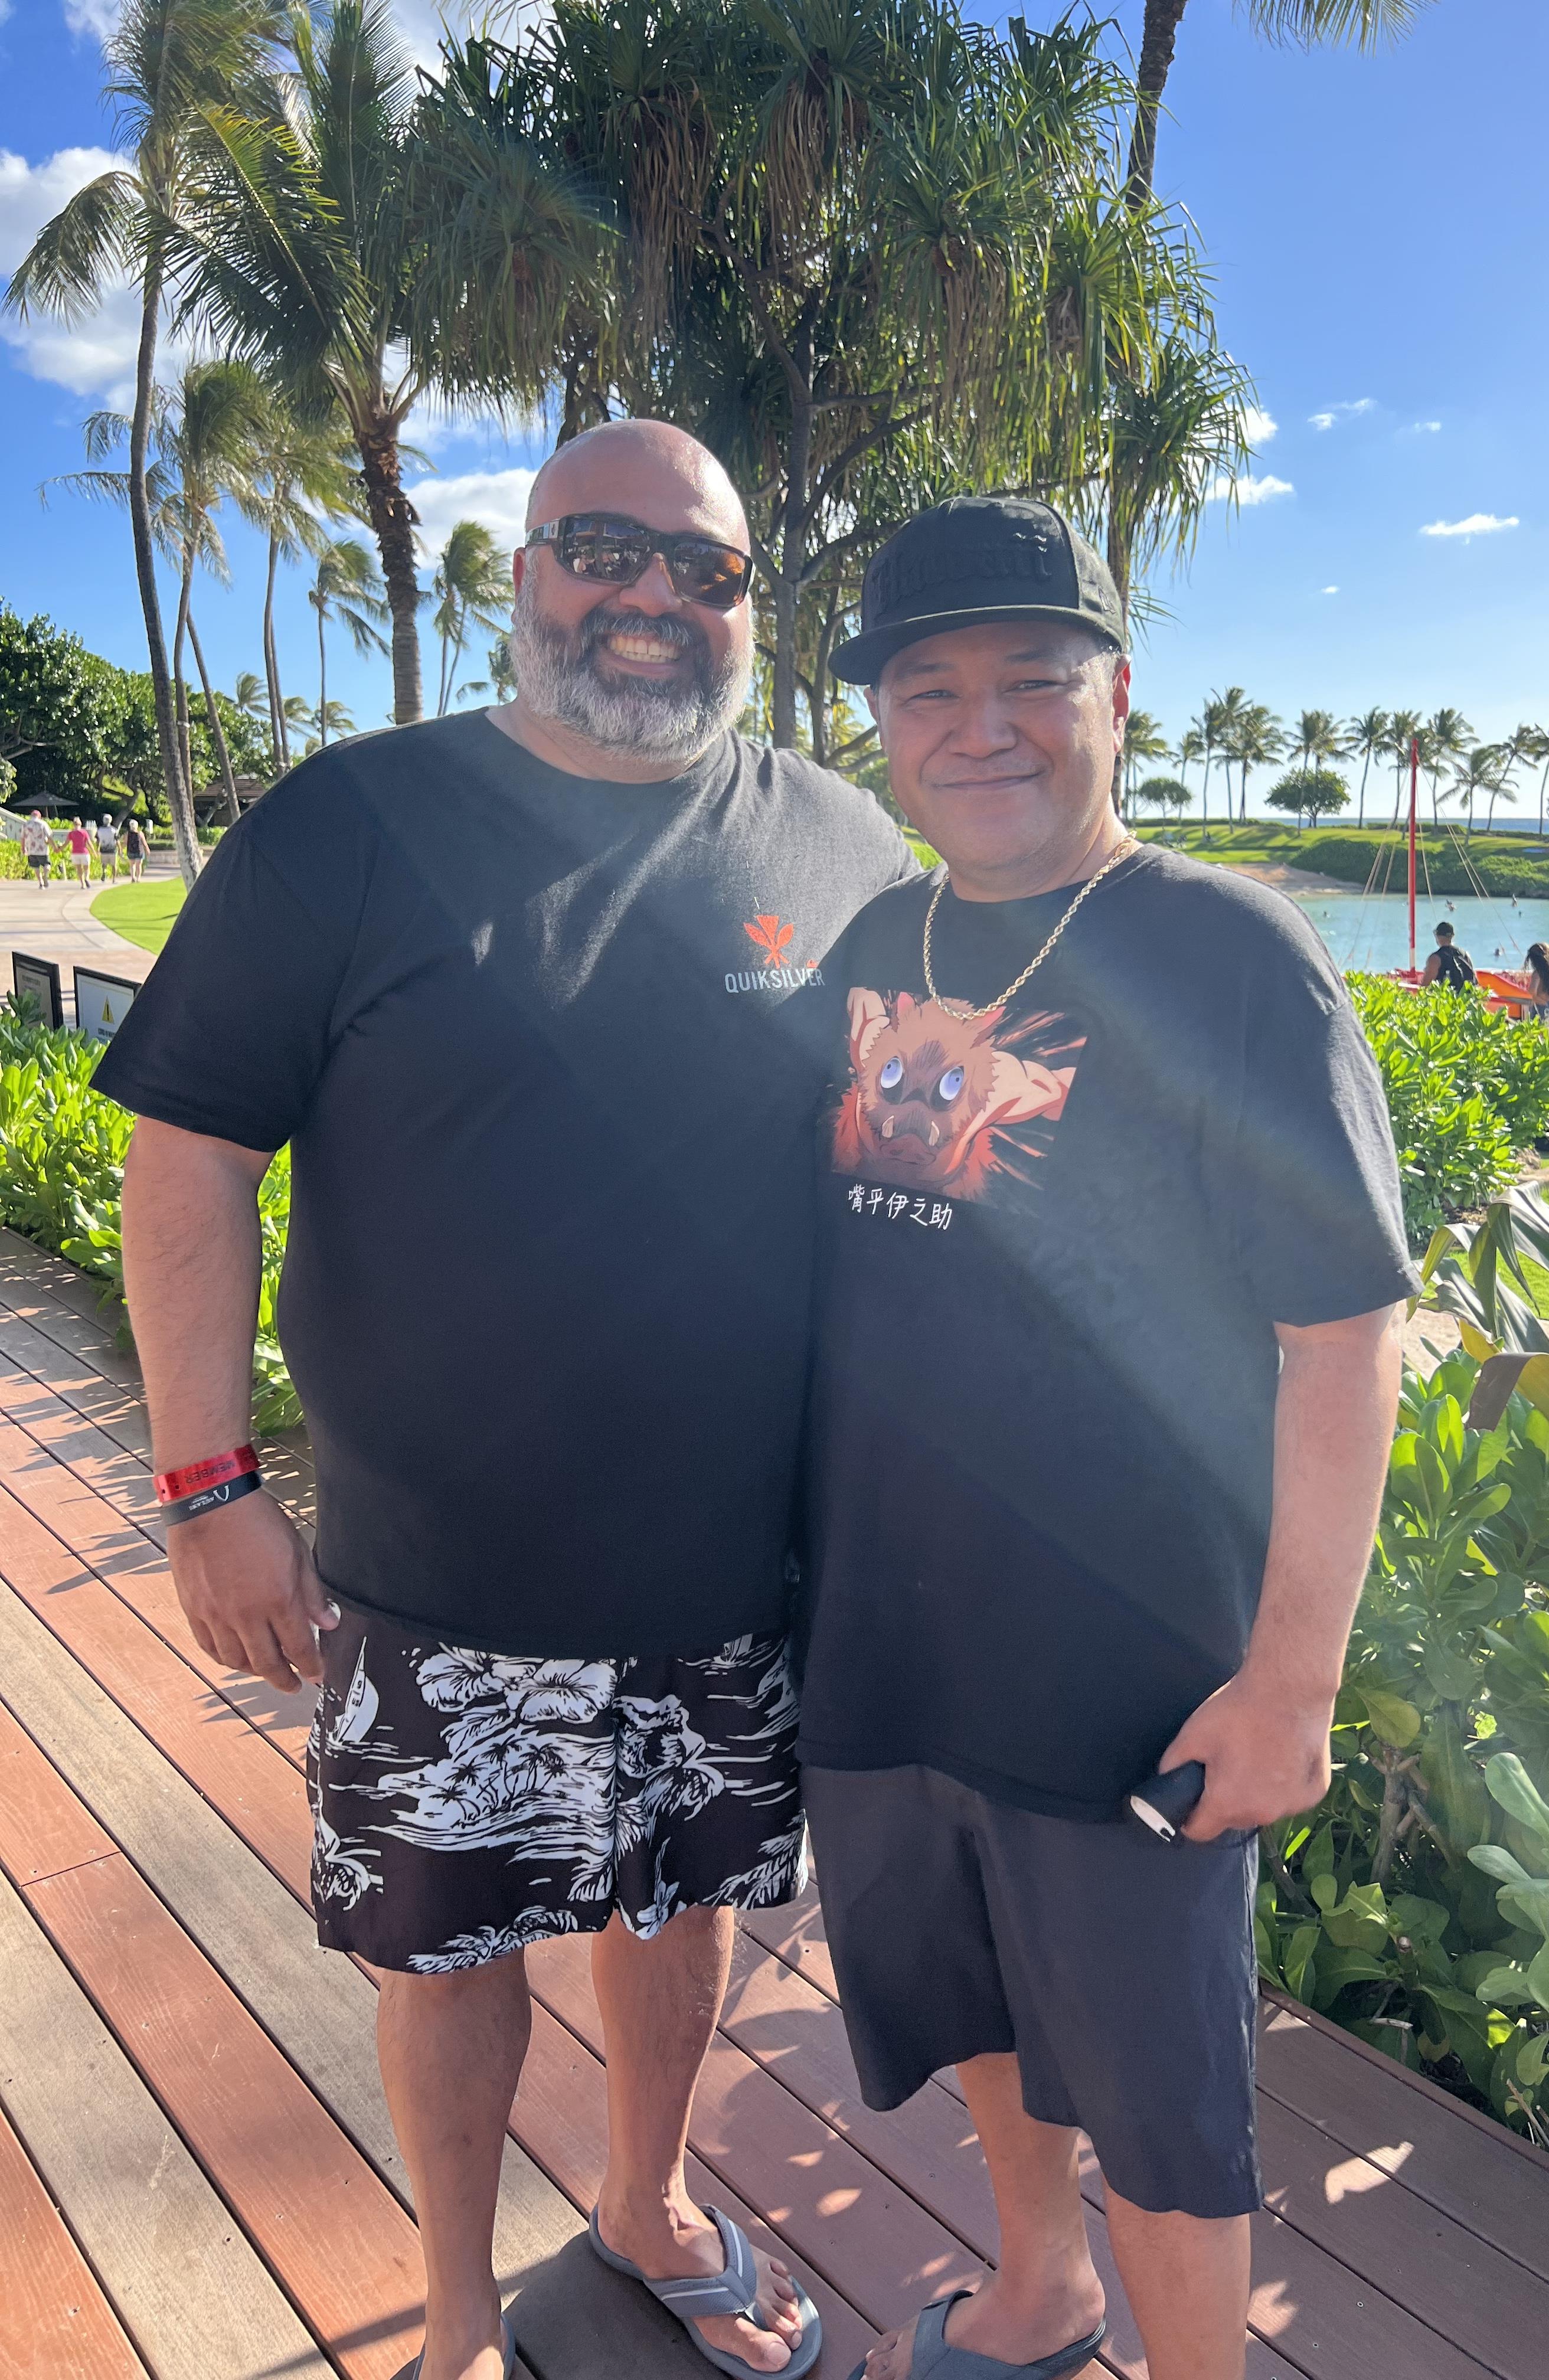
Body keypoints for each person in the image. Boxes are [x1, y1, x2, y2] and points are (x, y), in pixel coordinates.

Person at [92, 420, 914, 2380]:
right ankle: (456, 2320)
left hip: (740, 1559)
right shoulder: (352, 821)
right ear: (522, 576)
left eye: (699, 567)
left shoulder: (840, 841)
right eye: (600, 551)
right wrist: (208, 1484)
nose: (647, 599)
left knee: (679, 1901)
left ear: (749, 602)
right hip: (438, 1562)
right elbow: (188, 1150)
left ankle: (643, 2202)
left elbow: (926, 1140)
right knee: (446, 1957)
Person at [797, 497, 1419, 2380]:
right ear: (884, 727)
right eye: (930, 690)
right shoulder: (875, 933)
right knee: (969, 2003)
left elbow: (1344, 1334)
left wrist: (1294, 1676)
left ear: (1118, 697)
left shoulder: (1234, 956)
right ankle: (1040, 2283)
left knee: (1162, 2094)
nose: (980, 726)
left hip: (1132, 1664)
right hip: (892, 1638)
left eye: (1030, 682)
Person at [1420, 917, 1476, 990]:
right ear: (1452, 936)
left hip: (1445, 1000)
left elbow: (1425, 986)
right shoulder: (1464, 955)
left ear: (1437, 936)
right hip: (1465, 999)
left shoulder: (1435, 959)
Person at [21, 809, 50, 887]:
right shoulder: (43, 824)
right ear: (39, 816)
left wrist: (23, 848)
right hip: (43, 850)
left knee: (36, 867)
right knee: (47, 864)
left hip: (31, 850)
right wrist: (53, 845)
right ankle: (45, 875)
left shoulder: (26, 825)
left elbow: (23, 838)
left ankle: (41, 883)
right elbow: (49, 836)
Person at [67, 816, 91, 888]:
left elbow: (66, 843)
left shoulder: (71, 833)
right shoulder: (84, 832)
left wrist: (59, 849)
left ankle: (83, 884)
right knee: (87, 868)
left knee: (79, 869)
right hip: (84, 852)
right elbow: (89, 843)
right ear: (80, 824)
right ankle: (86, 878)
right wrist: (94, 851)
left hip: (75, 853)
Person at [123, 813, 148, 882]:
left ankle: (133, 877)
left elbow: (125, 843)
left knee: (132, 865)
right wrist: (147, 849)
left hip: (131, 851)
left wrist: (121, 849)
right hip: (139, 851)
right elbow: (144, 843)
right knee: (139, 865)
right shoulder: (140, 833)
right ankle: (138, 878)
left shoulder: (127, 834)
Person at [96, 812, 119, 881]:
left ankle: (104, 873)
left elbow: (98, 840)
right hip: (113, 850)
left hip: (103, 850)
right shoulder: (114, 830)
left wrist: (97, 849)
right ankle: (114, 879)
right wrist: (120, 849)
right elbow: (117, 840)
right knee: (114, 865)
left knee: (104, 864)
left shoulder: (99, 830)